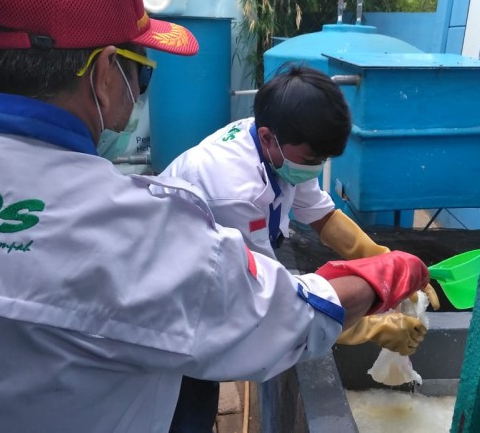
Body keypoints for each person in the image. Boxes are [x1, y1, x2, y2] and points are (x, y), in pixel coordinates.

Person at [0, 0, 431, 432]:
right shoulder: (145, 228)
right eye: (142, 72)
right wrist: (383, 284)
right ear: (105, 72)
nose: (139, 90)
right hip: (192, 328)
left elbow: (320, 212)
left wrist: (374, 252)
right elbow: (273, 317)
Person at [161, 65, 441, 431]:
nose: (316, 168)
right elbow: (273, 310)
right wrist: (372, 326)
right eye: (312, 161)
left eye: (323, 160)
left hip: (209, 276)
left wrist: (391, 265)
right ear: (267, 138)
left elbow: (324, 217)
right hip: (175, 306)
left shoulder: (282, 145)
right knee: (184, 404)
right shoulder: (236, 192)